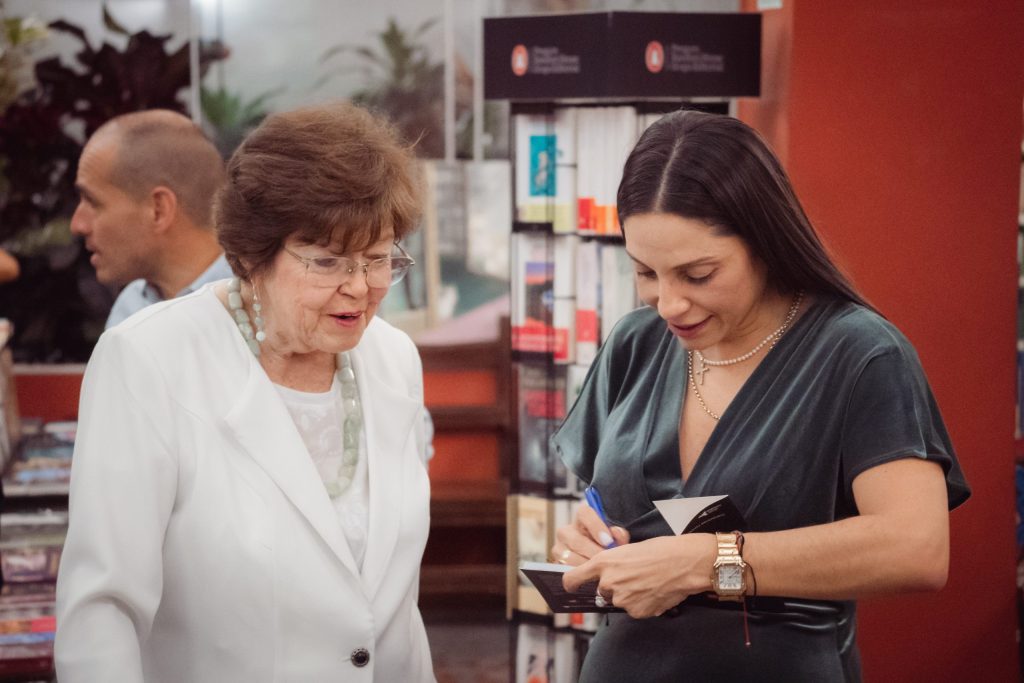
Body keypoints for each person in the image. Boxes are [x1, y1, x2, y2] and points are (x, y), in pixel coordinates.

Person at [550, 110, 970, 682]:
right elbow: (605, 506)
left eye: (697, 275)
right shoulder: (635, 343)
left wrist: (709, 563)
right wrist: (588, 541)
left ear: (766, 244)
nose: (668, 303)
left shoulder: (859, 355)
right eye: (646, 272)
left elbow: (915, 550)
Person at [55, 103, 435, 682]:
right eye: (328, 261)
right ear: (254, 255)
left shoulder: (392, 358)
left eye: (379, 258)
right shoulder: (149, 360)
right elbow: (100, 614)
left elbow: (395, 608)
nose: (360, 287)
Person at [69, 109, 232, 330]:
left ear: (158, 209)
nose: (77, 225)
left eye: (94, 203)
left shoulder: (266, 302)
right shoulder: (131, 306)